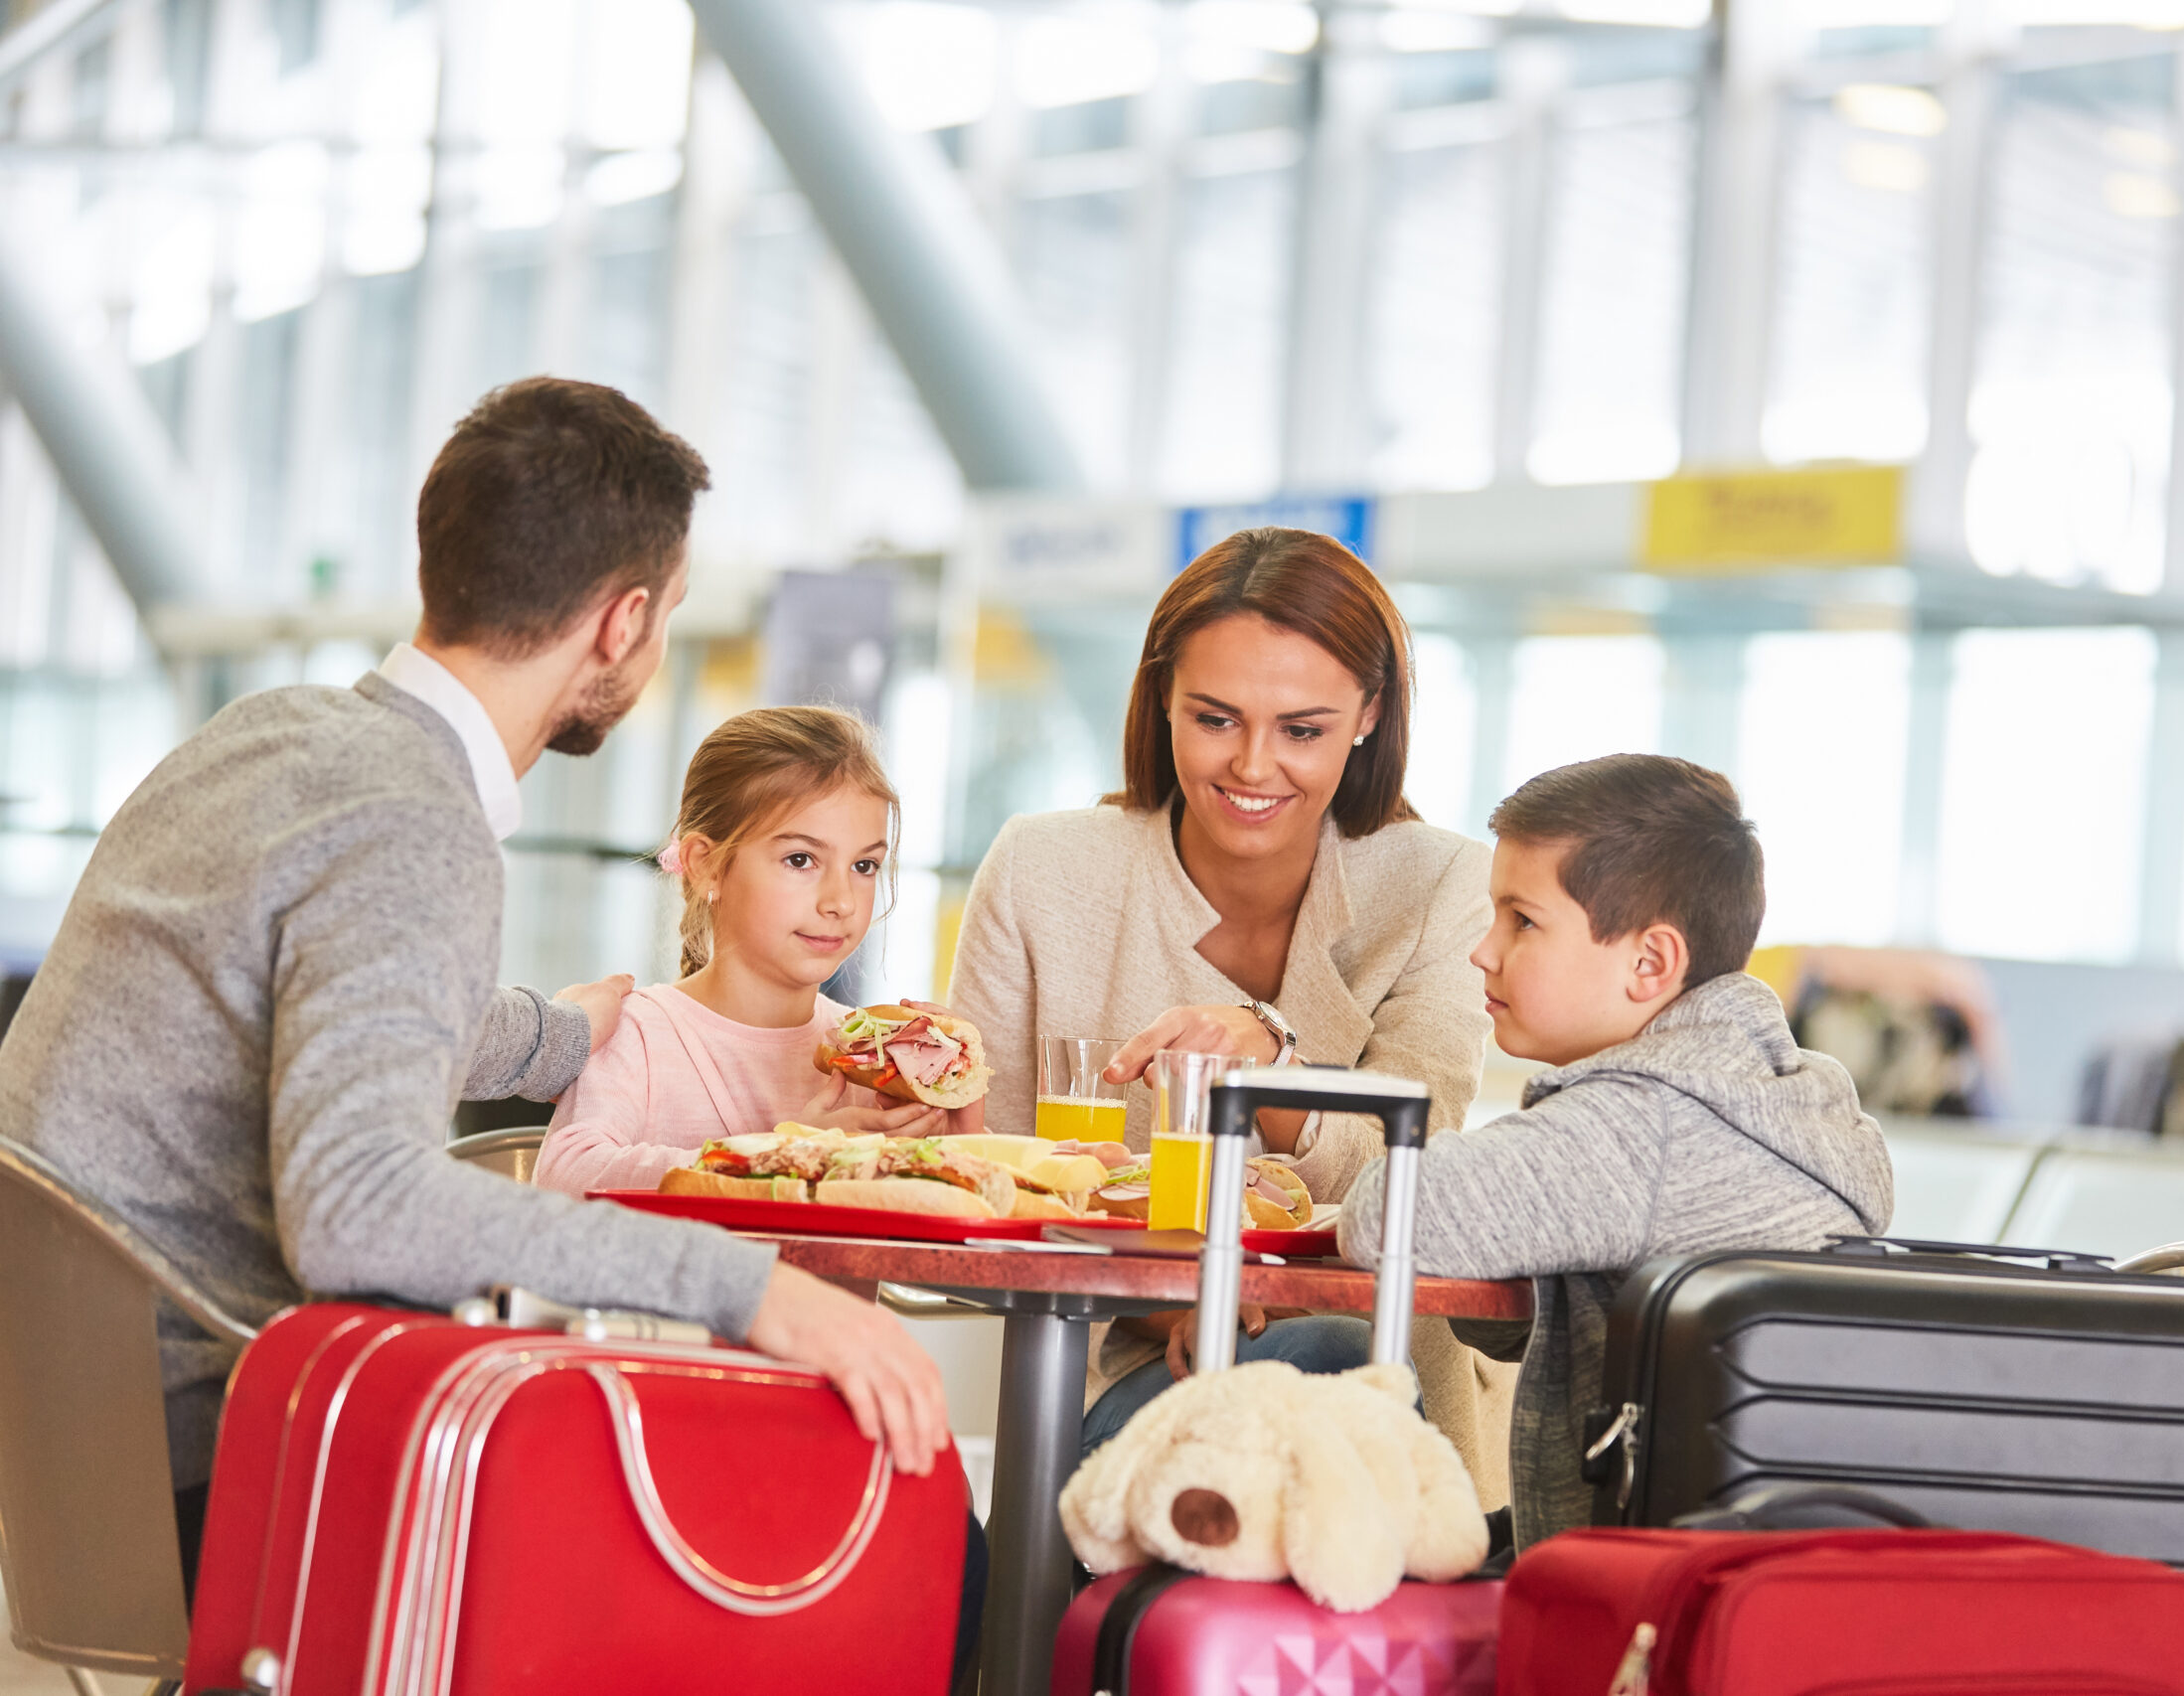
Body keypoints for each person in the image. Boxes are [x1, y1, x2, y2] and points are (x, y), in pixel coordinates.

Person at [0, 379, 947, 1595]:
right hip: (224, 1454)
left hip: (71, 1441)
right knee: (754, 1541)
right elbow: (362, 1207)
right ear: (624, 623)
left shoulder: (270, 734)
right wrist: (755, 1287)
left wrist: (549, 1040)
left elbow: (323, 998)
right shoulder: (418, 821)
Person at [945, 527, 1504, 1475]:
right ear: (1162, 695)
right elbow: (994, 1187)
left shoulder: (1441, 884)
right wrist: (1167, 1294)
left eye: (1302, 729)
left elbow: (1409, 1186)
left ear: (1368, 714)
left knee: (1324, 1370)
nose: (1252, 765)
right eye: (1215, 718)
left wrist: (1269, 1070)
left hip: (1375, 1394)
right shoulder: (1044, 870)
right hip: (1119, 1377)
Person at [1337, 754, 1893, 1550]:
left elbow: (1384, 1217)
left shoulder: (1644, 1124)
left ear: (1650, 963)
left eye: (1521, 920)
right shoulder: (1789, 1099)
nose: (1482, 952)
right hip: (1755, 1563)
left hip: (1636, 1583)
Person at [533, 705, 978, 1197]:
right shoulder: (637, 1032)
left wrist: (960, 1152)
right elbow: (564, 1177)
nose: (841, 901)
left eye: (865, 865)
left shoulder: (870, 1059)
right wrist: (784, 1157)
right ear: (706, 867)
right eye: (801, 859)